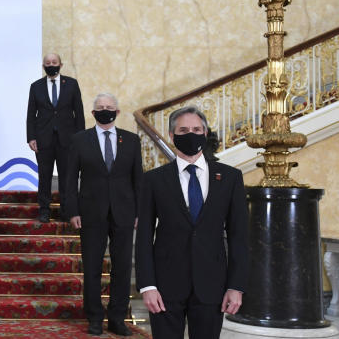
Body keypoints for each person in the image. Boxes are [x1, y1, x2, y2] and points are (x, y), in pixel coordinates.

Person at [136, 106, 248, 339]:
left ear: (205, 134)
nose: (191, 134)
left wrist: (236, 286)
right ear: (172, 136)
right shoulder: (153, 180)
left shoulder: (230, 178)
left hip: (212, 285)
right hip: (165, 286)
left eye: (197, 129)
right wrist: (147, 286)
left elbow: (239, 237)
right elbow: (144, 237)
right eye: (184, 129)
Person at [64, 93, 143, 336]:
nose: (105, 110)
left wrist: (139, 212)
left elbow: (137, 178)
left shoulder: (131, 140)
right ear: (93, 112)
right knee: (92, 267)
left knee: (121, 268)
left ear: (117, 112)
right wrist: (72, 211)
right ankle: (95, 317)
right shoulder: (79, 140)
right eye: (100, 107)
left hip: (124, 212)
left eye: (109, 107)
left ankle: (117, 318)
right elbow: (69, 179)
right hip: (90, 212)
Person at [26, 53, 85, 222]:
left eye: (54, 62)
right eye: (48, 63)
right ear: (43, 66)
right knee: (44, 175)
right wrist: (31, 137)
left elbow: (78, 113)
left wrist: (81, 138)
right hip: (43, 139)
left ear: (61, 64)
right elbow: (31, 114)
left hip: (68, 139)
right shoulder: (35, 86)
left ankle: (66, 210)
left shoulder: (72, 84)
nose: (51, 65)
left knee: (67, 176)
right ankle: (44, 210)